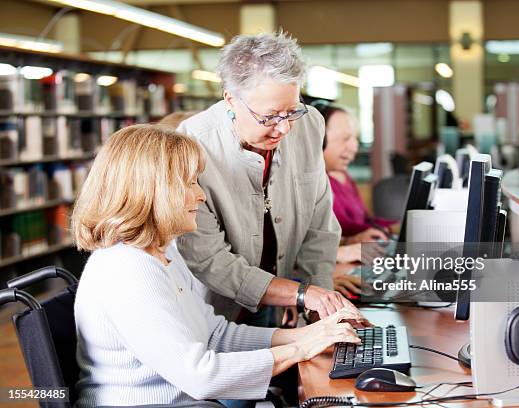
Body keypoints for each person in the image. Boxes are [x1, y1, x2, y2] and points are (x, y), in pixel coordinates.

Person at [71, 124, 363, 408]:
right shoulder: (127, 269)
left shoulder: (162, 254)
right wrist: (299, 349)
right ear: (150, 191)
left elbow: (216, 336)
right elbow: (200, 376)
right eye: (189, 183)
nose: (201, 195)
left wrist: (312, 335)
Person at [176, 32, 360, 326]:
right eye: (271, 116)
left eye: (292, 111)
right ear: (231, 101)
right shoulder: (190, 144)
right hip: (216, 313)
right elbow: (209, 260)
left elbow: (319, 222)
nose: (285, 128)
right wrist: (300, 294)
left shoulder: (310, 123)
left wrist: (319, 305)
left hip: (284, 297)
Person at [315, 102, 397, 244]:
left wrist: (395, 226)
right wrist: (390, 228)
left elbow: (365, 221)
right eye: (345, 139)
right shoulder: (317, 183)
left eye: (354, 138)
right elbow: (343, 228)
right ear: (317, 140)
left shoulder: (343, 176)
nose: (354, 147)